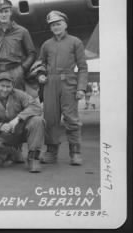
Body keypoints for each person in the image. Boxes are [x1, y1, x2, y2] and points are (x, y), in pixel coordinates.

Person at [0, 0, 36, 162]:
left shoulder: (22, 31)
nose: (3, 14)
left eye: (6, 11)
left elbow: (32, 53)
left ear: (11, 12)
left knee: (15, 107)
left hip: (14, 71)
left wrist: (21, 70)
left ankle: (16, 148)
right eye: (0, 11)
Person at [38, 10, 88, 166]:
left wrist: (81, 88)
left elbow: (82, 67)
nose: (56, 27)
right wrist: (40, 75)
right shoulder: (46, 44)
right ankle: (51, 152)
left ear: (65, 24)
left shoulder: (75, 42)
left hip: (69, 83)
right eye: (52, 25)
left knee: (71, 119)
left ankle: (75, 152)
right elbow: (41, 64)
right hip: (50, 84)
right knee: (50, 120)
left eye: (58, 23)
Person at [0, 72, 45, 173]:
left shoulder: (20, 95)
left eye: (8, 86)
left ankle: (33, 157)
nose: (5, 89)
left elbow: (36, 107)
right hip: (5, 135)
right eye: (2, 86)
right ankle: (12, 152)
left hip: (21, 129)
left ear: (12, 86)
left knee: (37, 120)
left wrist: (18, 118)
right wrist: (1, 126)